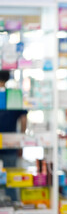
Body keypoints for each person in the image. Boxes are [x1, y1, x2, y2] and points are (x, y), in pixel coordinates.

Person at [0, 70, 27, 200]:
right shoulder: (15, 95)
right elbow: (23, 119)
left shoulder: (13, 94)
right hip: (11, 144)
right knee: (11, 181)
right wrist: (22, 141)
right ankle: (13, 207)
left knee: (11, 180)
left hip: (10, 145)